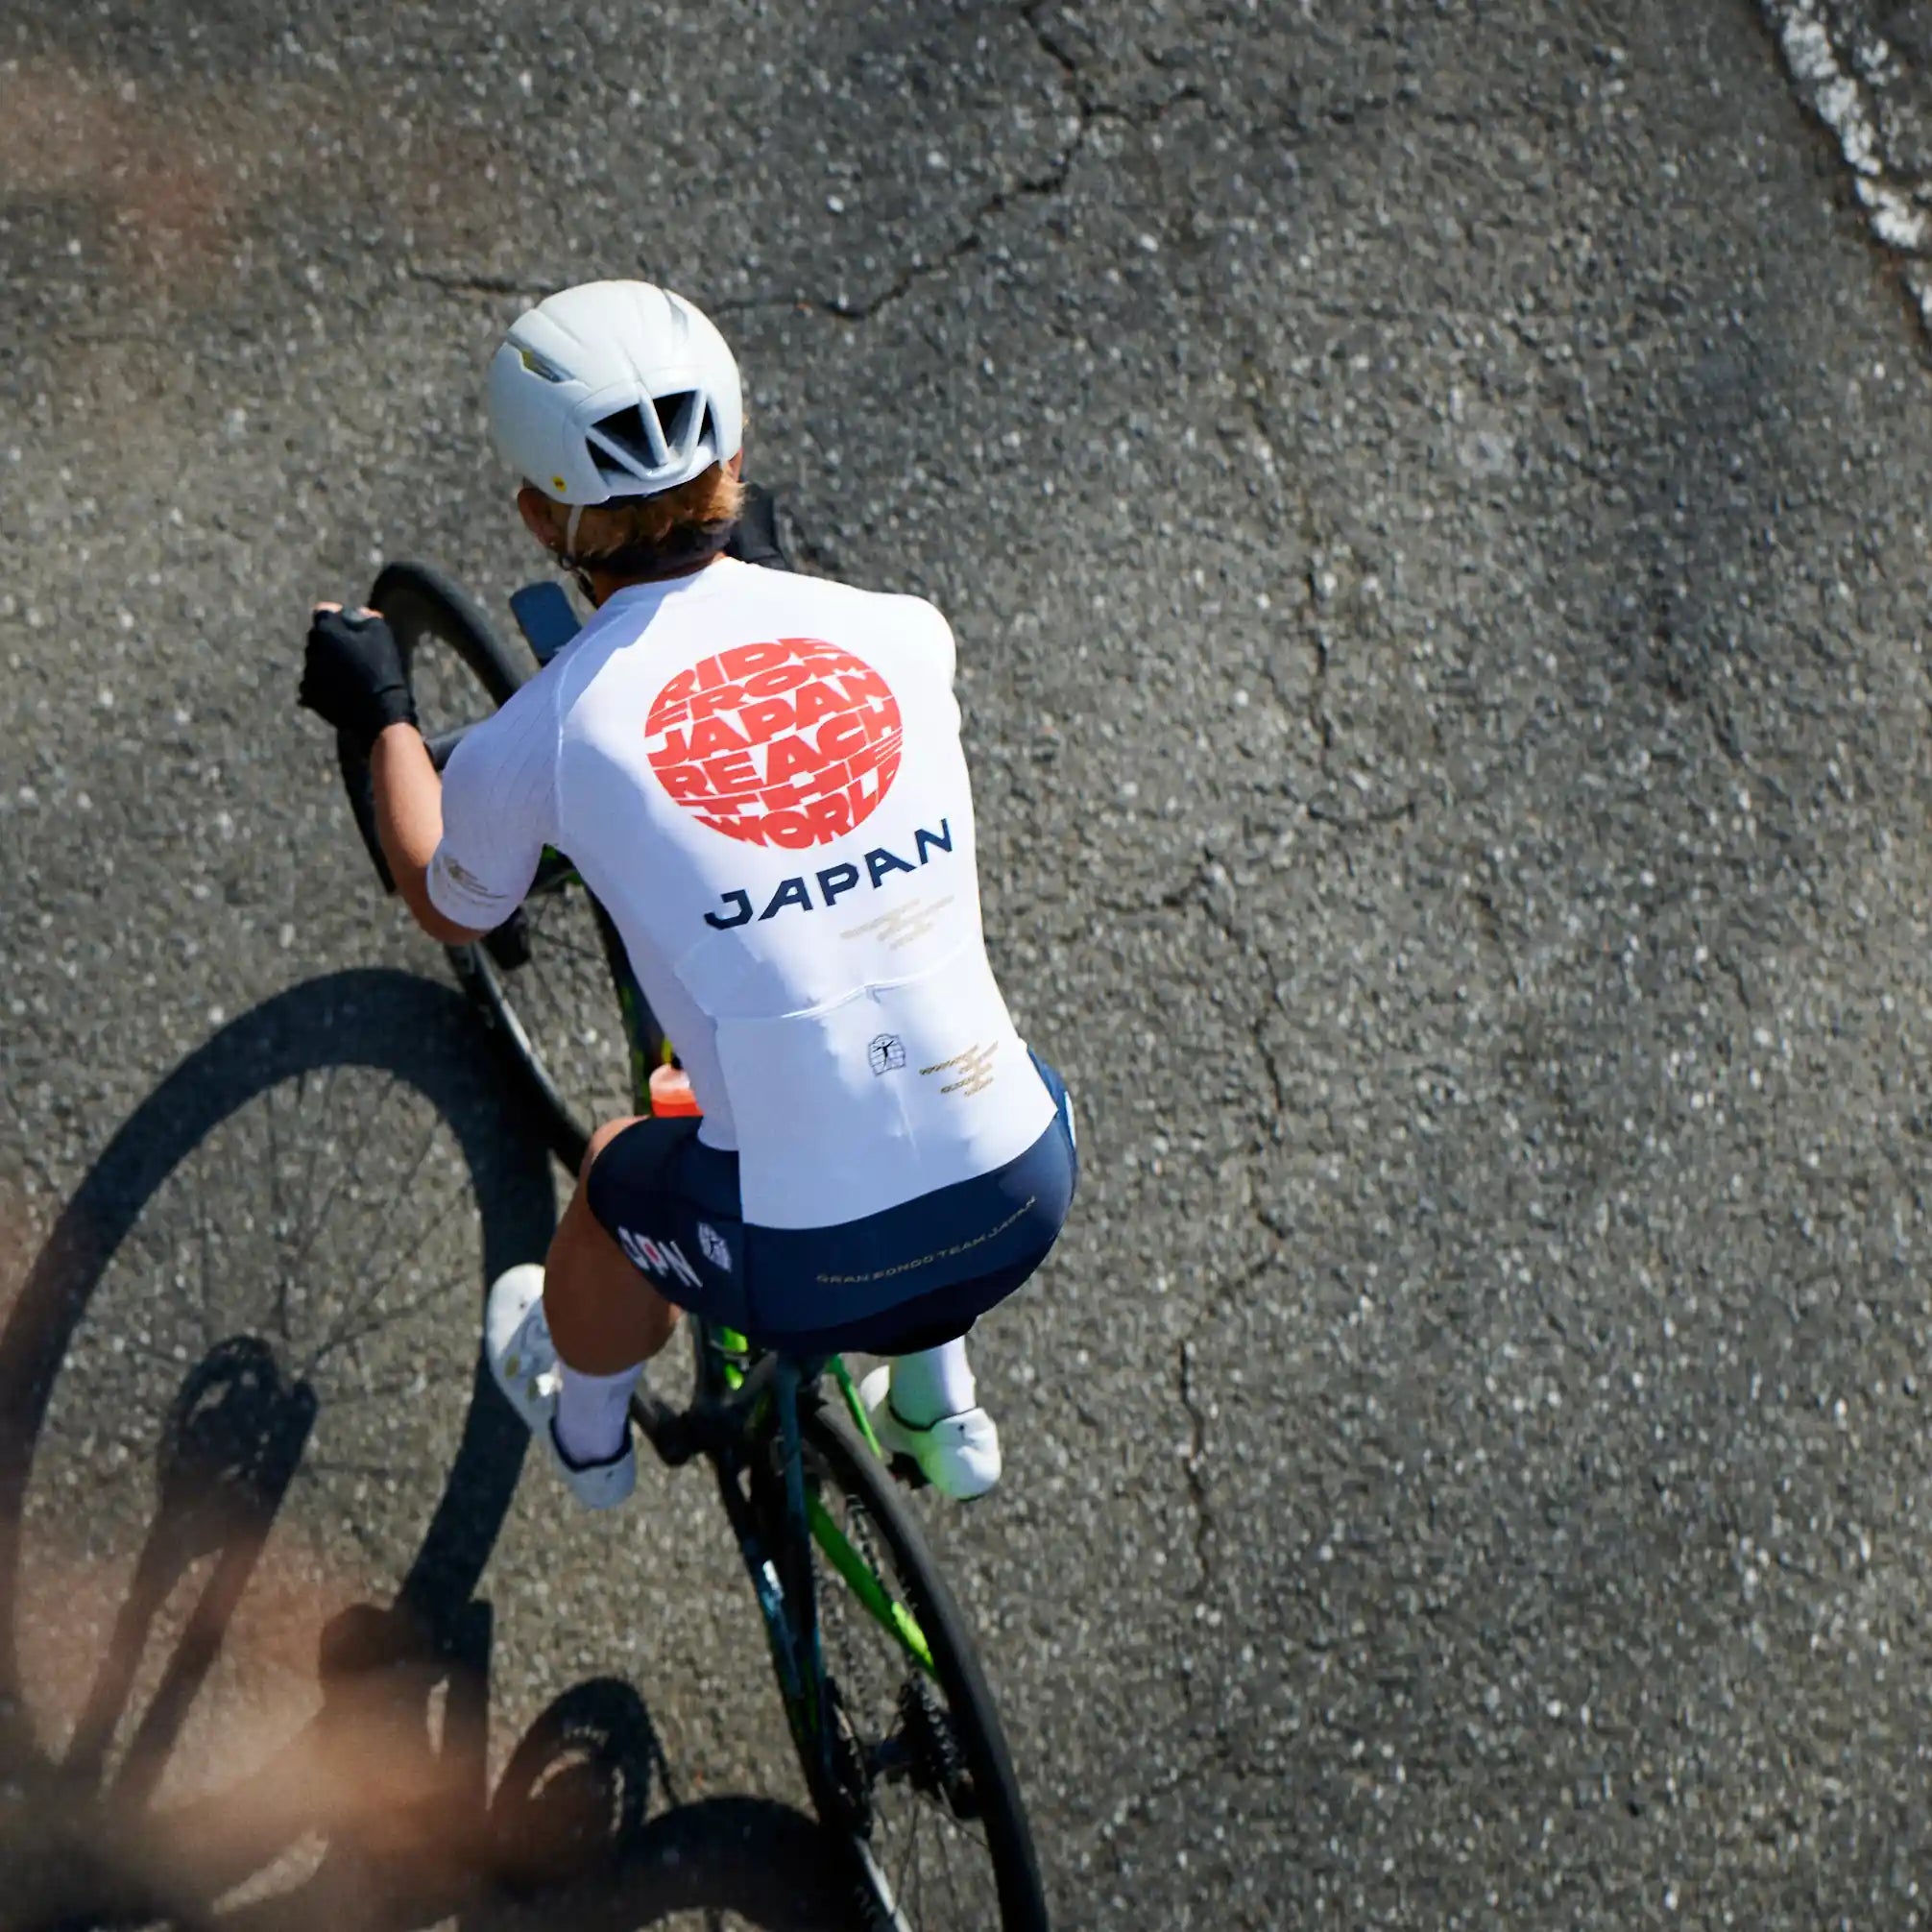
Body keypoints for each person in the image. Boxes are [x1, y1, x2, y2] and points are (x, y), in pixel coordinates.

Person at [299, 279, 1077, 1505]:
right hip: (1027, 1179)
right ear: (736, 457)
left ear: (535, 512)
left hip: (812, 1257)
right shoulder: (901, 631)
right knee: (911, 1043)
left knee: (620, 1161)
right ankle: (938, 1408)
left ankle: (586, 1434)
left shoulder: (545, 732)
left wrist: (382, 709)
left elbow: (451, 900)